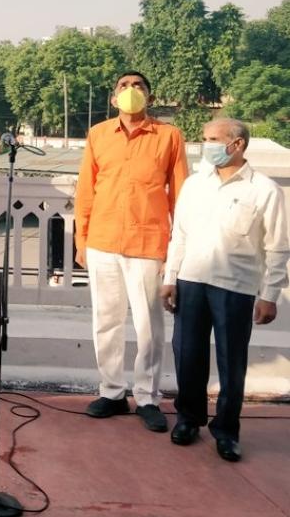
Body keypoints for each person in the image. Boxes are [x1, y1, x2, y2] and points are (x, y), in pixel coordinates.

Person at [160, 119, 289, 462]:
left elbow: (278, 248)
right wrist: (170, 278)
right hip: (191, 280)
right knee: (187, 355)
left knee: (232, 361)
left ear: (238, 144)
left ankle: (227, 430)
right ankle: (188, 418)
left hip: (236, 286)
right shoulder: (194, 185)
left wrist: (269, 295)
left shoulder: (264, 191)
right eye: (204, 139)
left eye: (214, 139)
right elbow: (180, 235)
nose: (207, 146)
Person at [74, 71, 188, 431]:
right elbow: (86, 192)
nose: (130, 91)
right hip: (103, 241)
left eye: (138, 86)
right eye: (123, 86)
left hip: (149, 242)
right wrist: (82, 240)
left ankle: (147, 396)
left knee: (148, 325)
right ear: (113, 98)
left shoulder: (168, 136)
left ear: (150, 98)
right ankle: (111, 391)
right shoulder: (98, 135)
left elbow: (181, 196)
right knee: (106, 320)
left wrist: (177, 251)